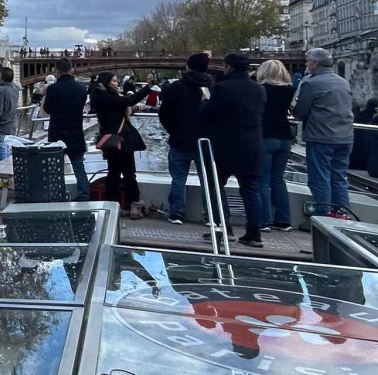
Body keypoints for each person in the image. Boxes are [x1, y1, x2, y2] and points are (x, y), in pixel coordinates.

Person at [200, 54, 267, 247]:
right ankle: (254, 233)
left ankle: (224, 228)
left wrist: (205, 102)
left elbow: (209, 113)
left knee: (216, 186)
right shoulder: (260, 89)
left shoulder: (222, 88)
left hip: (225, 144)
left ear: (228, 67)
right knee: (250, 190)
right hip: (252, 144)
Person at [292, 47, 354, 218]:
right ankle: (342, 213)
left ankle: (323, 214)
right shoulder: (343, 82)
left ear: (315, 63)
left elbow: (300, 112)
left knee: (320, 178)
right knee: (339, 177)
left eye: (307, 61)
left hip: (321, 136)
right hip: (345, 137)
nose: (306, 64)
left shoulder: (311, 83)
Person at [157, 55, 214, 225]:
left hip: (179, 139)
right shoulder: (212, 88)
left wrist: (173, 130)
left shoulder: (175, 87)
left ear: (188, 67)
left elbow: (164, 113)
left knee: (178, 178)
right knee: (208, 180)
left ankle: (177, 213)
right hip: (205, 141)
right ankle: (211, 216)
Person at [90, 72, 153, 218]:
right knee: (129, 172)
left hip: (109, 141)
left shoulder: (98, 96)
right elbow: (129, 100)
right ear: (106, 82)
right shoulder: (108, 97)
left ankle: (113, 204)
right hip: (122, 140)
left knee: (113, 172)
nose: (117, 83)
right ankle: (134, 205)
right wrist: (148, 88)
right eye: (113, 81)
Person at [255, 60, 296, 232]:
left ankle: (263, 220)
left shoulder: (260, 89)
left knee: (262, 179)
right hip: (285, 136)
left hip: (266, 135)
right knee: (278, 179)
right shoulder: (289, 90)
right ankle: (283, 220)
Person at [44, 58, 91, 201]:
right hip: (75, 133)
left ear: (57, 71)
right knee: (78, 166)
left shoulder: (53, 89)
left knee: (55, 168)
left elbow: (47, 109)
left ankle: (56, 195)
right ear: (71, 69)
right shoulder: (81, 89)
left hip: (57, 133)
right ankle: (84, 195)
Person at [0, 67, 20, 165]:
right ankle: (9, 170)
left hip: (0, 127)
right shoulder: (15, 90)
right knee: (8, 150)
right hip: (11, 125)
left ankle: (4, 171)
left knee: (1, 152)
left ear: (1, 77)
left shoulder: (0, 92)